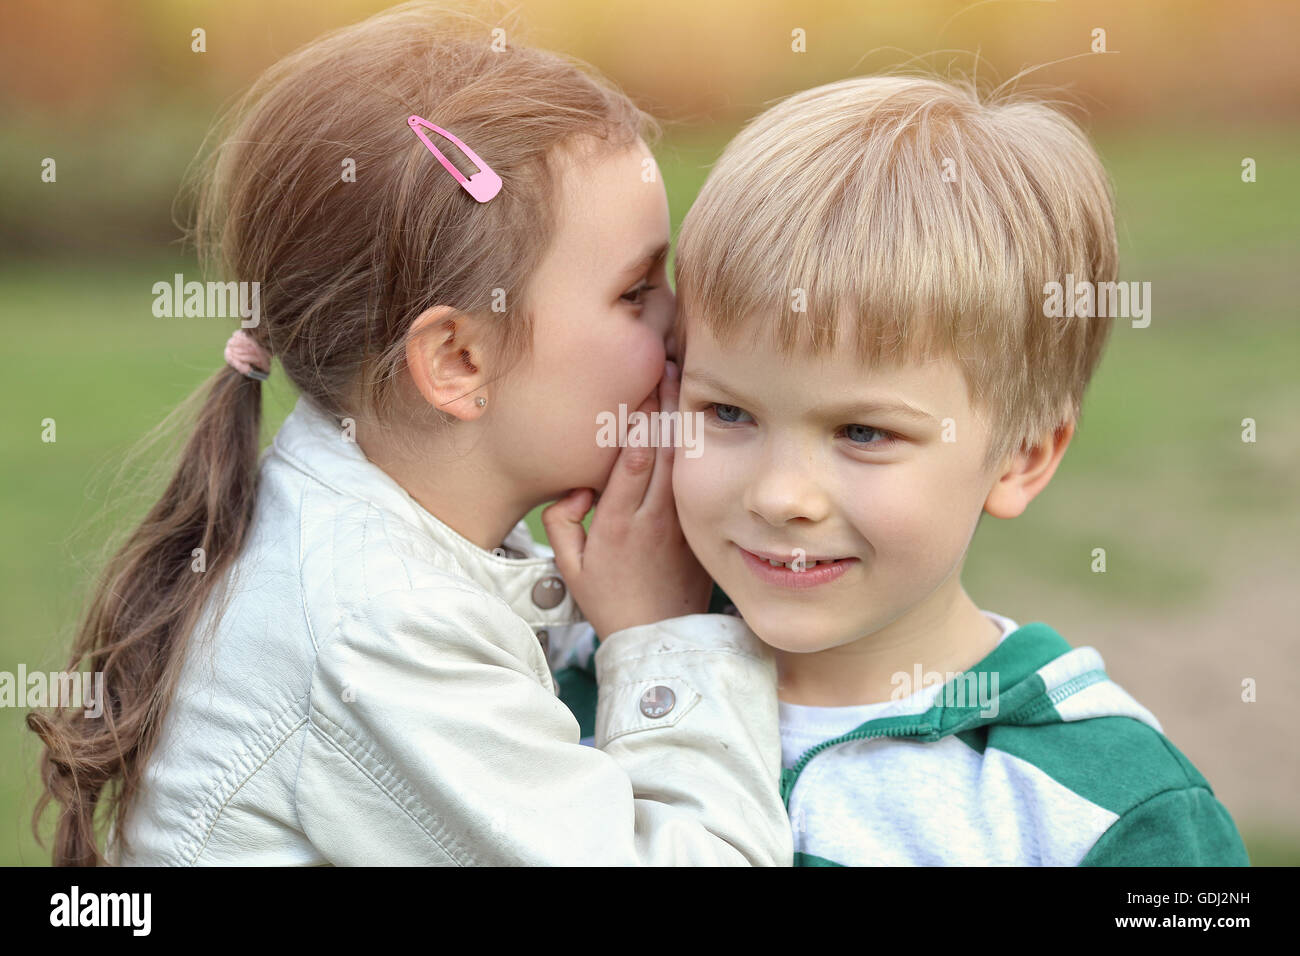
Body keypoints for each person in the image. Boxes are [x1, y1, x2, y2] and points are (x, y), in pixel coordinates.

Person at [27, 2, 792, 866]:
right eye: (635, 291)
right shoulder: (380, 625)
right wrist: (664, 636)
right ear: (458, 361)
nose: (683, 326)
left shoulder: (373, 536)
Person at [656, 74, 1248, 866]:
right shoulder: (581, 678)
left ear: (1021, 458)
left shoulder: (1113, 810)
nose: (780, 495)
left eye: (862, 432)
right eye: (728, 415)